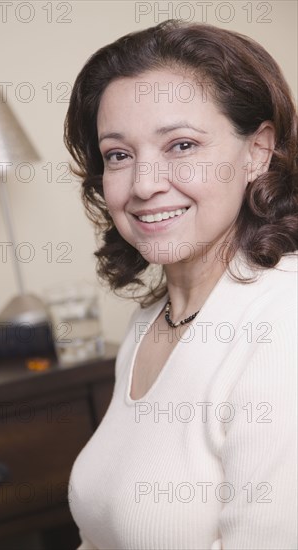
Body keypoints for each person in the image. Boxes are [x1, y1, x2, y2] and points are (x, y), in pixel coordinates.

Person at [64, 19, 298, 550]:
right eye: (118, 155)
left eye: (182, 145)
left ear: (257, 151)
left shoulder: (285, 323)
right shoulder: (151, 321)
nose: (144, 185)